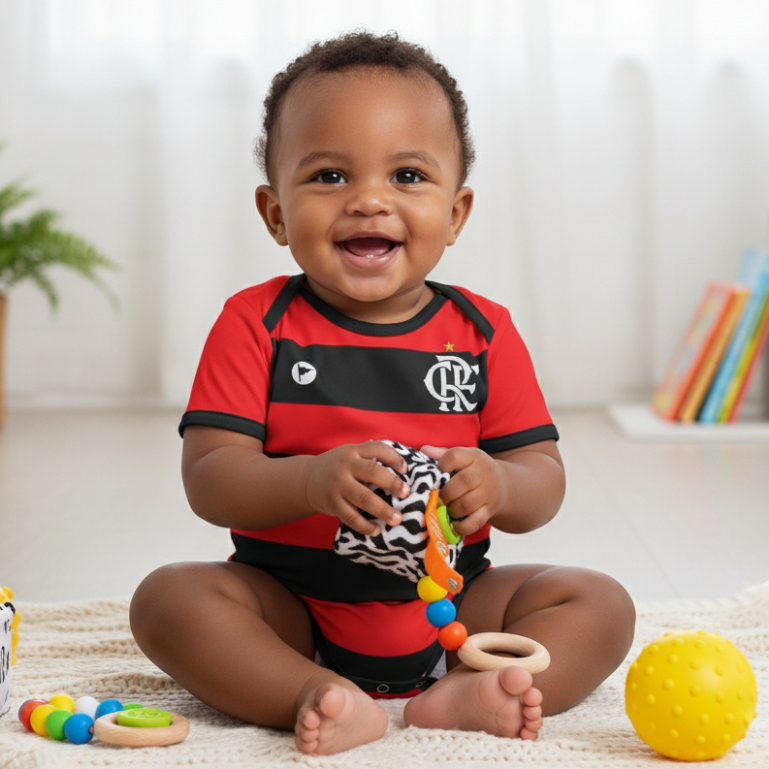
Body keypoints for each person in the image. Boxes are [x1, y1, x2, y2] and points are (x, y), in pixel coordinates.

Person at [130, 30, 635, 756]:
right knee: (168, 599)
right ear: (275, 213)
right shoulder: (256, 323)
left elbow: (543, 483)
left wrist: (495, 482)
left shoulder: (482, 331)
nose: (369, 200)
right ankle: (308, 691)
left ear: (455, 213)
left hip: (454, 603)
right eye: (330, 176)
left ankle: (466, 691)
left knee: (599, 602)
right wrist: (309, 478)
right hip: (290, 607)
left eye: (406, 176)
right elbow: (210, 479)